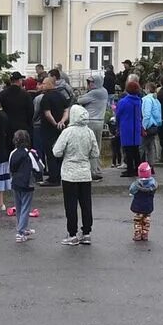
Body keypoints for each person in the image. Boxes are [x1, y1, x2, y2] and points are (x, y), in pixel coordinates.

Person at [51, 103, 99, 245]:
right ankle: (86, 233)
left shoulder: (68, 132)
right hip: (85, 172)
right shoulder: (89, 132)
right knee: (86, 204)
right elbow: (95, 153)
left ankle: (72, 234)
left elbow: (57, 152)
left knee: (70, 205)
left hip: (69, 174)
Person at [8, 129, 40, 242]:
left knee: (19, 206)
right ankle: (21, 231)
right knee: (26, 207)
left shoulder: (13, 153)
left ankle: (22, 227)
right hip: (27, 183)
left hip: (15, 182)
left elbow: (10, 168)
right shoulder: (29, 153)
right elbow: (37, 167)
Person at [115, 78, 145, 177]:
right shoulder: (139, 101)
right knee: (136, 150)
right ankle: (137, 169)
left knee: (128, 150)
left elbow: (118, 114)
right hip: (136, 127)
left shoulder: (123, 102)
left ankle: (130, 169)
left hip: (126, 127)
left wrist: (117, 126)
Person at [128, 160, 158, 242]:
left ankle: (137, 234)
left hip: (138, 206)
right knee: (146, 221)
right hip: (148, 206)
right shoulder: (153, 183)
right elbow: (154, 190)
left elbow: (131, 190)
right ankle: (145, 234)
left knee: (138, 221)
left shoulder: (136, 184)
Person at [141, 81, 163, 170]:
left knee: (141, 147)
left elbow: (146, 115)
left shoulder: (147, 99)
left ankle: (140, 166)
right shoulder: (156, 100)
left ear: (147, 89)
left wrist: (143, 126)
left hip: (148, 126)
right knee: (150, 146)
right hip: (155, 126)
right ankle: (151, 165)